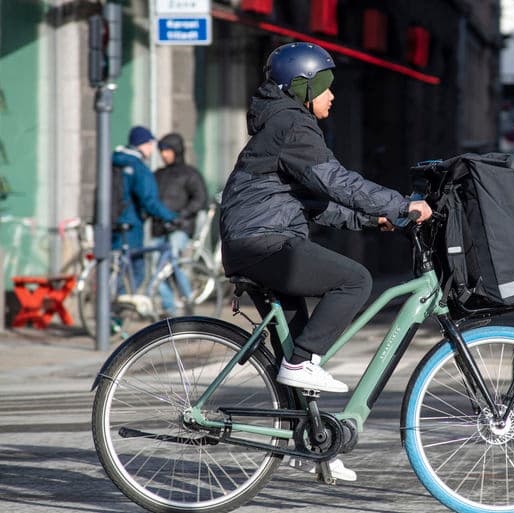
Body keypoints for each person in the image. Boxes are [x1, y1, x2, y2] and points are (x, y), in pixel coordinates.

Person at [219, 42, 431, 480]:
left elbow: (317, 203)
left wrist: (377, 218)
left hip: (260, 237)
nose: (333, 96)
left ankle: (312, 445)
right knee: (353, 281)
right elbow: (335, 181)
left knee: (295, 347)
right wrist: (401, 203)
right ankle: (301, 364)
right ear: (304, 86)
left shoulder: (281, 126)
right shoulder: (292, 125)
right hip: (264, 242)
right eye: (327, 86)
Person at [112, 126, 178, 290]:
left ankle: (116, 307)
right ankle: (121, 309)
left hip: (111, 222)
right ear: (142, 144)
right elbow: (149, 200)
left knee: (116, 267)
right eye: (150, 144)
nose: (152, 148)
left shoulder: (114, 161)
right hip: (131, 225)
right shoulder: (138, 167)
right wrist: (171, 217)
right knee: (137, 271)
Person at [150, 133, 209, 316]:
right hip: (159, 229)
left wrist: (182, 215)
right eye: (161, 151)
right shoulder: (158, 174)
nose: (163, 155)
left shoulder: (190, 174)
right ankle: (170, 308)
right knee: (157, 270)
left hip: (180, 229)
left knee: (174, 263)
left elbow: (200, 199)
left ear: (176, 151)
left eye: (167, 150)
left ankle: (187, 299)